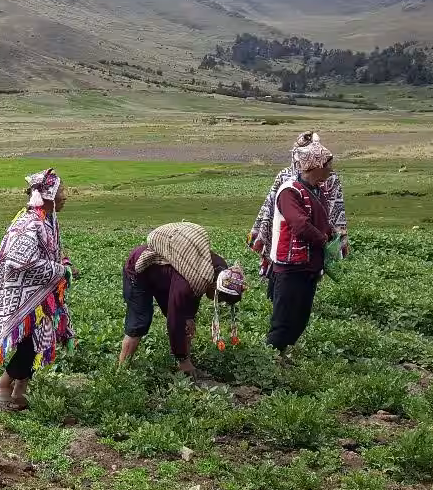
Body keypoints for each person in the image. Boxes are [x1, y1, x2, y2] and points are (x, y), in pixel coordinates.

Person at [0, 169, 75, 409]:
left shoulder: (46, 221)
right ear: (48, 195)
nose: (65, 196)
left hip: (38, 298)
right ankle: (2, 384)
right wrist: (59, 271)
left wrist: (63, 264)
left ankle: (20, 389)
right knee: (31, 344)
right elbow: (18, 260)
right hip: (20, 295)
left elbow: (48, 254)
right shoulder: (29, 223)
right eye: (62, 191)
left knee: (37, 341)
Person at [117, 222, 246, 375]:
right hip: (139, 271)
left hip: (164, 276)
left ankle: (184, 359)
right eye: (220, 298)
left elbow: (195, 292)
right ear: (215, 287)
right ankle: (122, 371)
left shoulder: (218, 269)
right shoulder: (189, 284)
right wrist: (182, 357)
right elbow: (175, 319)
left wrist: (189, 316)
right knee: (140, 322)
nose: (217, 302)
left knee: (186, 321)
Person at [249, 131, 348, 295]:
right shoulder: (287, 177)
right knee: (286, 270)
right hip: (290, 230)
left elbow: (332, 205)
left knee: (295, 270)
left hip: (302, 232)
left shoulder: (328, 176)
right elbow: (277, 207)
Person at [265, 139, 336, 356]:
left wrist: (333, 234)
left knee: (300, 316)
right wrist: (324, 241)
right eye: (328, 165)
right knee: (284, 317)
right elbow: (300, 225)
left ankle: (282, 354)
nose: (331, 169)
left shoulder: (316, 190)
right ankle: (271, 358)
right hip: (290, 266)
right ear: (316, 166)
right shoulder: (290, 191)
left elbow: (320, 221)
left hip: (309, 265)